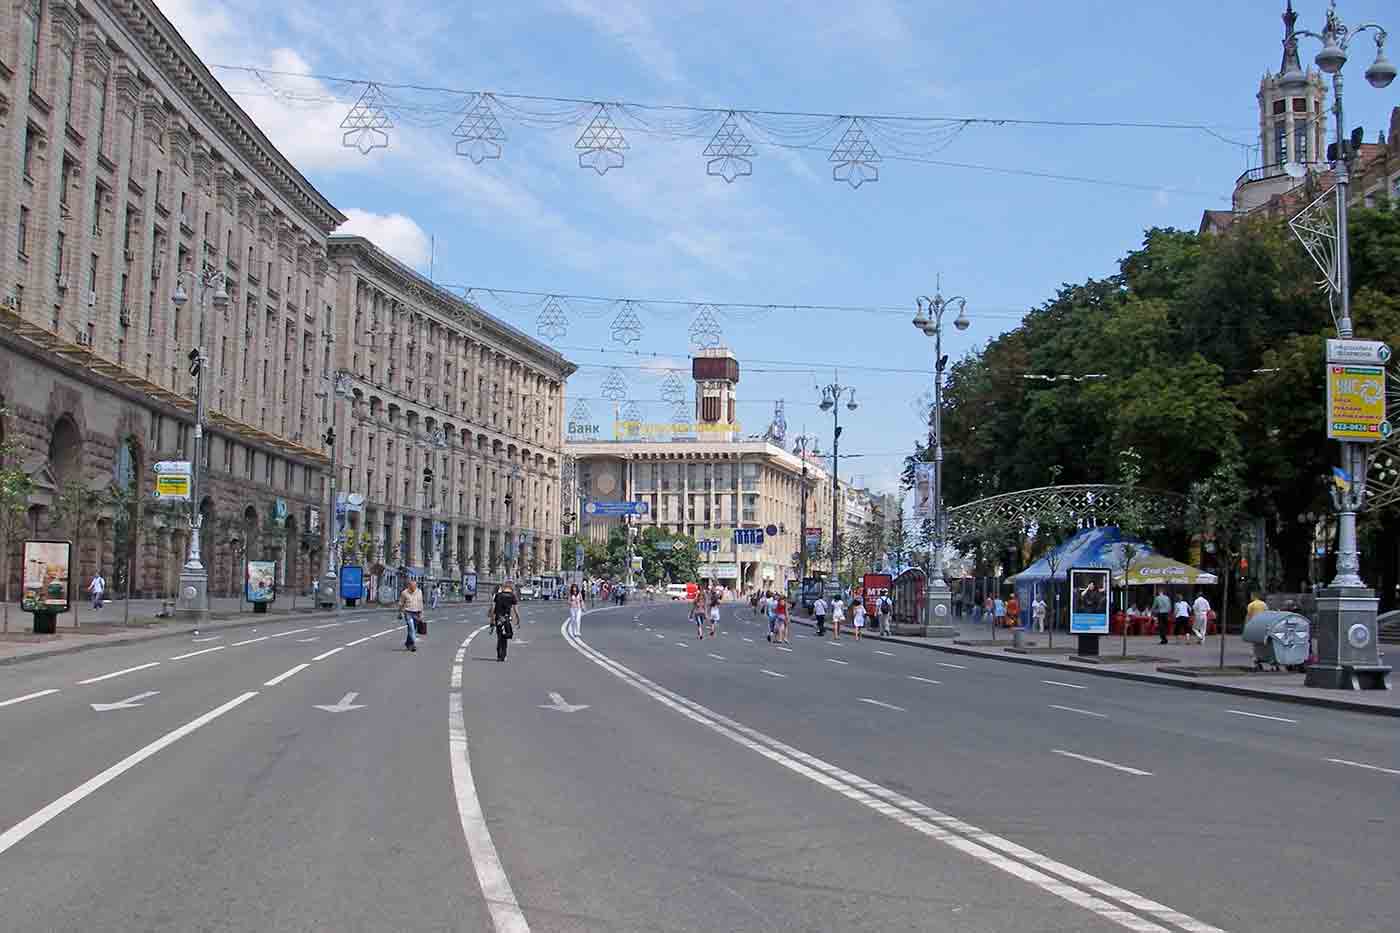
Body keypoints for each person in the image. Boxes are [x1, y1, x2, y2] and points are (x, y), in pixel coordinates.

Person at [493, 581, 520, 661]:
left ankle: (499, 655)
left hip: (498, 618)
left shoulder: (498, 595)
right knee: (505, 636)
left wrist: (492, 620)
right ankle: (503, 655)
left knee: (499, 637)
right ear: (511, 588)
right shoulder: (512, 596)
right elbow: (515, 609)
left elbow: (493, 608)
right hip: (506, 618)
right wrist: (518, 619)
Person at [399, 578, 424, 653]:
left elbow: (421, 602)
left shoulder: (419, 591)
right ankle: (413, 645)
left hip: (417, 613)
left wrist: (422, 613)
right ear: (409, 586)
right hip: (408, 612)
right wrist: (400, 612)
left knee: (413, 629)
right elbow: (401, 603)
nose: (414, 588)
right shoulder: (404, 593)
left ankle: (407, 643)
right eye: (412, 586)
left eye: (415, 586)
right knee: (411, 628)